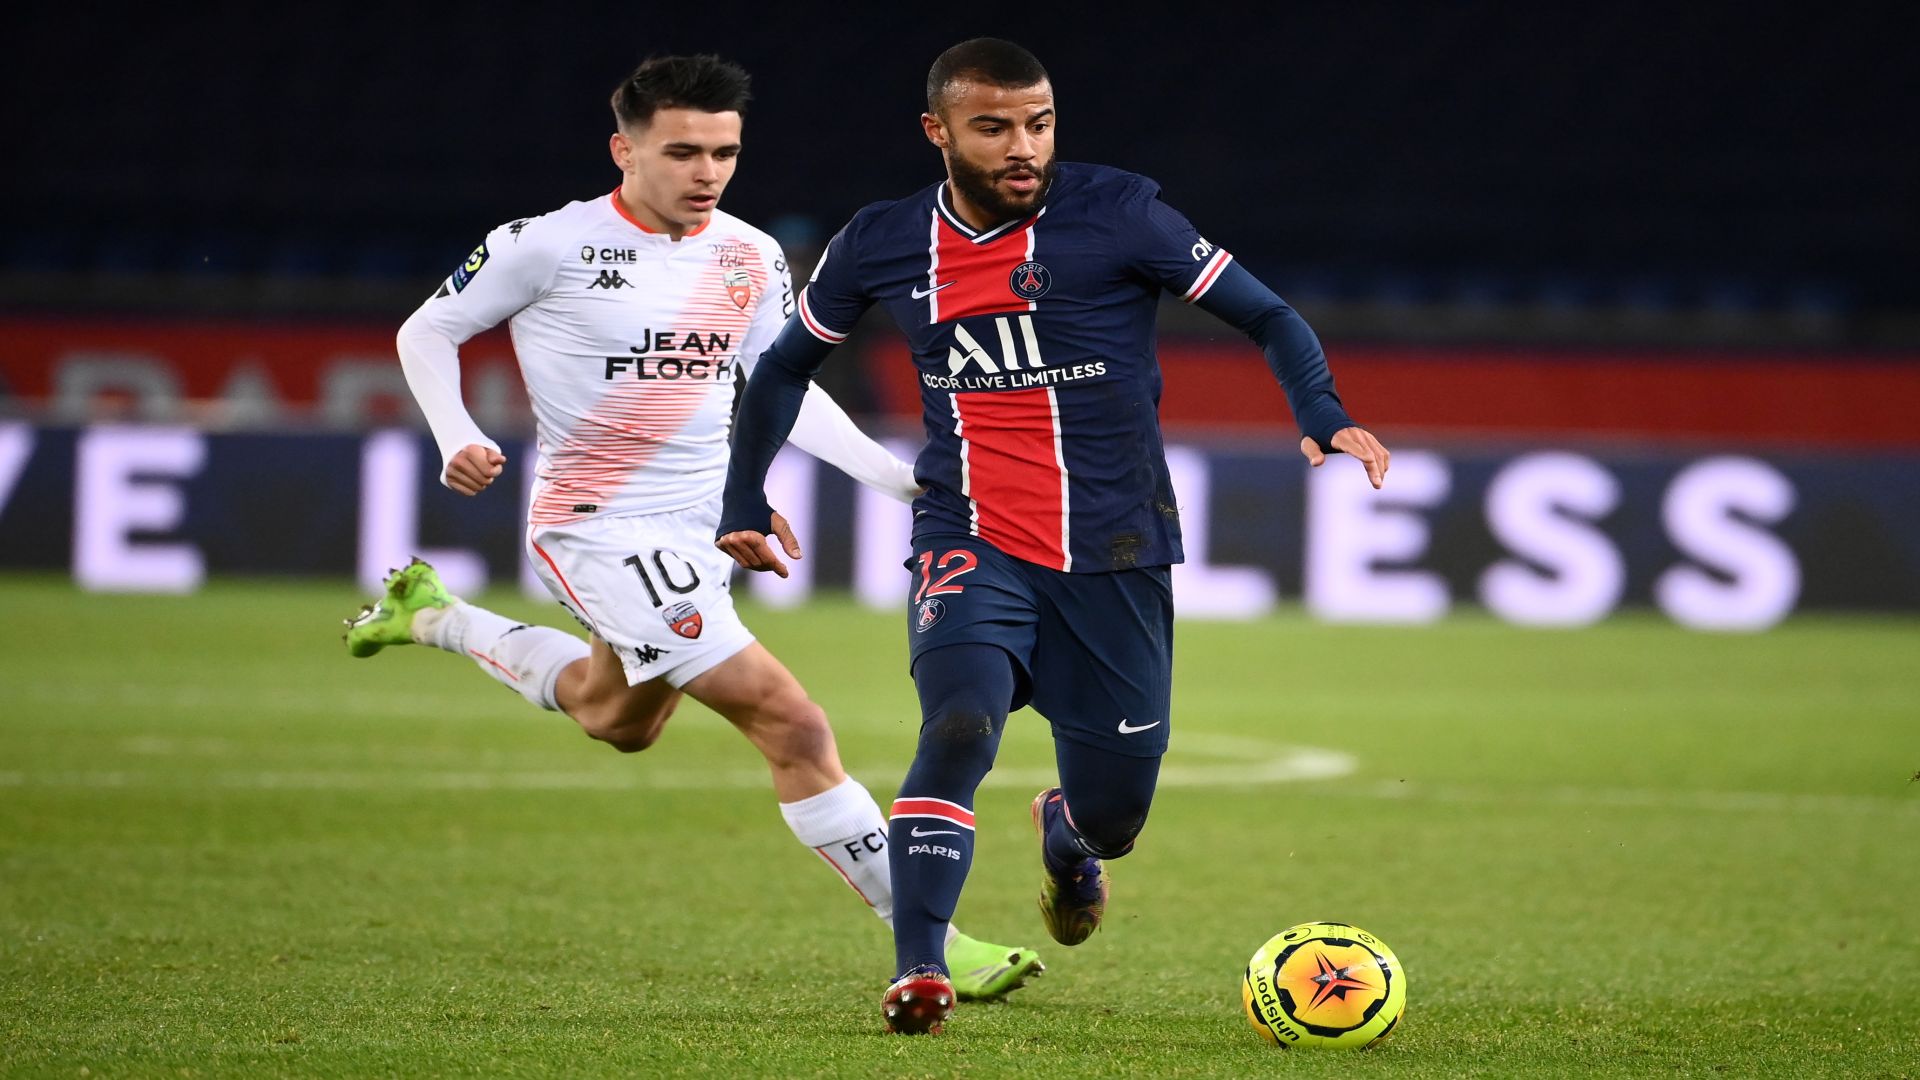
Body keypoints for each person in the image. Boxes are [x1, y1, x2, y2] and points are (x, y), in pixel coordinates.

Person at [715, 38, 1391, 1034]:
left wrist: (1322, 410)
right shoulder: (882, 242)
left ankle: (1064, 835)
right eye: (993, 128)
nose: (1023, 146)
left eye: (1039, 123)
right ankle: (921, 970)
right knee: (956, 726)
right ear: (937, 132)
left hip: (1115, 551)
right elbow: (780, 369)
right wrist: (741, 497)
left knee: (1114, 816)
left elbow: (1269, 316)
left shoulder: (1120, 213)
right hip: (970, 531)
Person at [343, 54, 1043, 1002]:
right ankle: (931, 938)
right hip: (595, 527)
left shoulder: (749, 254)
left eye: (725, 152)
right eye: (682, 151)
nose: (706, 172)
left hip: (697, 527)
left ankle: (434, 616)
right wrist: (457, 432)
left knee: (615, 716)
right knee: (791, 720)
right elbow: (426, 331)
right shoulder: (544, 245)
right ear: (623, 149)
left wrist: (899, 481)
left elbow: (782, 390)